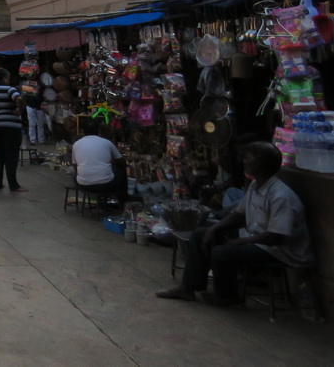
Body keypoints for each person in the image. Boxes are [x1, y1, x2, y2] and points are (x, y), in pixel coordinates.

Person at [157, 141, 314, 307]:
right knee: (200, 235)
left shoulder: (280, 196)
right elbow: (239, 214)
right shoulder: (256, 185)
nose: (243, 162)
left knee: (222, 252)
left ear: (260, 164)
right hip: (256, 237)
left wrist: (239, 242)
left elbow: (276, 236)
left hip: (280, 250)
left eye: (248, 159)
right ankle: (187, 288)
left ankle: (228, 297)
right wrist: (215, 228)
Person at [71, 117, 126, 205]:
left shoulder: (76, 144)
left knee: (74, 175)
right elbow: (122, 162)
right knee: (121, 171)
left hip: (84, 185)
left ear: (82, 131)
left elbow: (75, 165)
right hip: (106, 184)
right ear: (99, 131)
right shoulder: (107, 142)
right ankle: (123, 200)